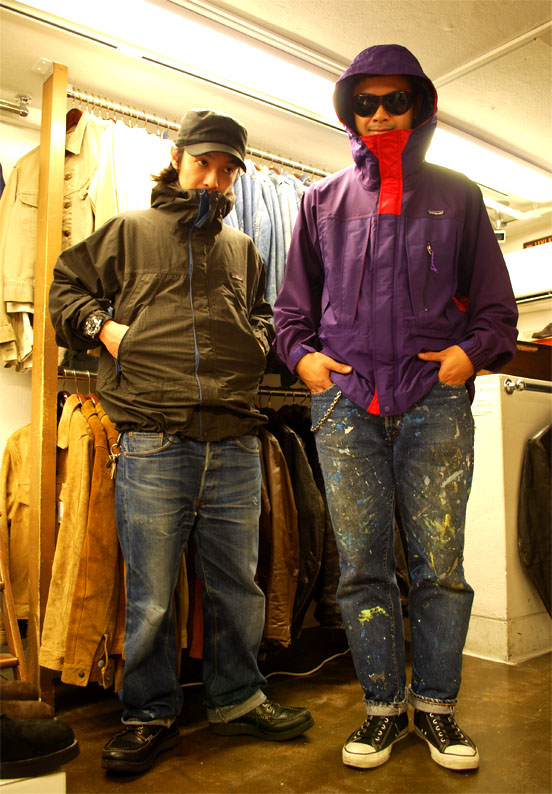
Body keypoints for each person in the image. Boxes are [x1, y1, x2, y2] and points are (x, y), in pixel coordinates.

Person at [273, 44, 518, 772]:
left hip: (432, 402)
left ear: (421, 107)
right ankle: (382, 708)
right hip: (346, 406)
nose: (380, 114)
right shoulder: (321, 202)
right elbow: (290, 315)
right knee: (361, 567)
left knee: (440, 565)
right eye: (366, 103)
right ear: (349, 112)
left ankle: (437, 707)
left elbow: (498, 312)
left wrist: (468, 356)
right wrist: (306, 362)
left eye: (395, 101)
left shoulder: (458, 196)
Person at [49, 108, 313, 775]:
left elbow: (264, 315)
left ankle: (238, 698)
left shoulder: (243, 249)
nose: (214, 180)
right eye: (204, 164)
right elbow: (65, 289)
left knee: (238, 588)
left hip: (234, 440)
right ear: (178, 157)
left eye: (227, 170)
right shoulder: (129, 232)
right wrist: (107, 331)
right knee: (153, 595)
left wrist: (256, 341)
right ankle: (150, 714)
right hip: (154, 439)